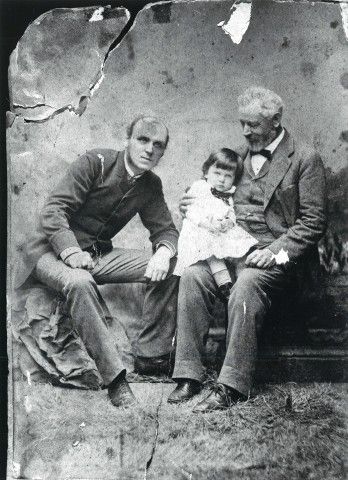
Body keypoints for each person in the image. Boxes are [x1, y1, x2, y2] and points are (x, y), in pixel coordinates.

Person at [168, 87, 327, 412]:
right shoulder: (236, 156)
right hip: (232, 249)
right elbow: (212, 195)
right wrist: (193, 203)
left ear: (276, 120)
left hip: (284, 257)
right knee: (194, 275)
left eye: (252, 125)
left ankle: (231, 386)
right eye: (242, 123)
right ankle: (188, 375)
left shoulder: (305, 158)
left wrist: (274, 252)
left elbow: (313, 223)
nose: (245, 131)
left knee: (248, 282)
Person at [14, 115, 179, 408]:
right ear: (127, 139)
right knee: (79, 281)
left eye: (158, 145)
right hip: (48, 251)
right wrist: (71, 252)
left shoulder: (150, 184)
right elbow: (53, 211)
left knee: (173, 266)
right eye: (142, 139)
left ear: (163, 152)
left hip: (96, 255)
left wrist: (164, 252)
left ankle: (151, 355)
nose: (149, 149)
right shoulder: (96, 162)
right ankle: (115, 380)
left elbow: (165, 229)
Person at [173, 148, 258, 299]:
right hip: (201, 229)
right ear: (206, 173)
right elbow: (190, 211)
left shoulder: (229, 194)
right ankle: (224, 284)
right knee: (212, 254)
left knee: (241, 252)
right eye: (217, 173)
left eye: (228, 176)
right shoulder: (199, 187)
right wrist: (205, 224)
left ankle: (241, 287)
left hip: (220, 231)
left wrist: (229, 221)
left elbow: (230, 211)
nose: (221, 179)